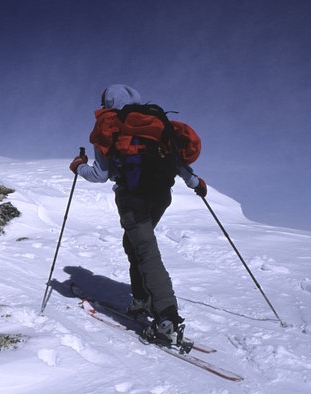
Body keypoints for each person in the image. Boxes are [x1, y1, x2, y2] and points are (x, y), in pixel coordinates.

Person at [69, 84, 208, 346]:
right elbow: (177, 162)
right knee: (133, 243)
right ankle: (142, 299)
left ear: (108, 102)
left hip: (133, 199)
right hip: (160, 196)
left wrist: (78, 167)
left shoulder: (111, 126)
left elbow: (100, 174)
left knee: (145, 250)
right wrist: (195, 183)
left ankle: (167, 317)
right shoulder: (157, 124)